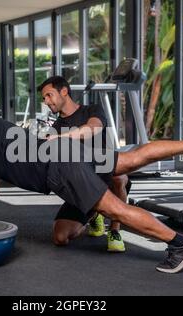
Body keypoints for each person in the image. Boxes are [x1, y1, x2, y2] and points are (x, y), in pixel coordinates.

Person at [0, 107, 183, 274]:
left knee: (114, 209)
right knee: (128, 160)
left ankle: (180, 243)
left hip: (60, 166)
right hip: (65, 151)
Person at [39, 76, 130, 252]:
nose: (46, 101)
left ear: (64, 91)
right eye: (44, 98)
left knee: (119, 177)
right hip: (82, 186)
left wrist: (61, 137)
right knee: (60, 237)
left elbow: (92, 129)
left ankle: (114, 231)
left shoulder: (92, 110)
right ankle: (95, 214)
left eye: (49, 95)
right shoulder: (55, 128)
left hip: (105, 176)